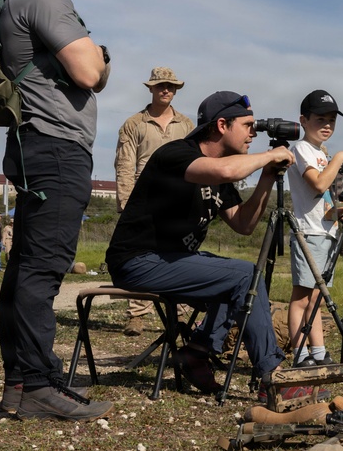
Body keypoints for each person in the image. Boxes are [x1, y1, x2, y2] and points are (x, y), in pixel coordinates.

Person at [0, 0, 113, 422]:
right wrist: (103, 58)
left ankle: (22, 384)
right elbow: (89, 71)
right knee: (42, 268)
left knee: (26, 265)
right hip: (56, 147)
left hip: (36, 145)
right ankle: (39, 385)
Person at [106, 91, 294, 397]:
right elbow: (226, 169)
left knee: (240, 275)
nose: (253, 133)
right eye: (248, 125)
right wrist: (270, 156)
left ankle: (197, 351)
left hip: (172, 260)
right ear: (221, 125)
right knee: (246, 275)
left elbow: (243, 224)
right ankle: (273, 378)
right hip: (138, 260)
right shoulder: (176, 154)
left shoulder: (222, 175)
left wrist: (266, 178)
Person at [114, 66, 194, 336]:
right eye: (161, 85)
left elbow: (197, 161)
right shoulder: (134, 124)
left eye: (171, 86)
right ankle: (137, 314)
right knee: (141, 254)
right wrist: (125, 201)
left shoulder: (186, 125)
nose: (166, 90)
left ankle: (180, 309)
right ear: (151, 88)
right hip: (144, 196)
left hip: (180, 195)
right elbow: (124, 164)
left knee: (180, 253)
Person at [285, 90, 343, 367]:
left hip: (323, 230)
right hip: (308, 232)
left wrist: (337, 212)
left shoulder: (320, 153)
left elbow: (319, 199)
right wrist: (338, 158)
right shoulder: (302, 149)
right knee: (301, 296)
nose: (327, 125)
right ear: (304, 120)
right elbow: (317, 184)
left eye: (331, 120)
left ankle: (318, 352)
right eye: (320, 119)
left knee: (316, 298)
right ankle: (300, 354)